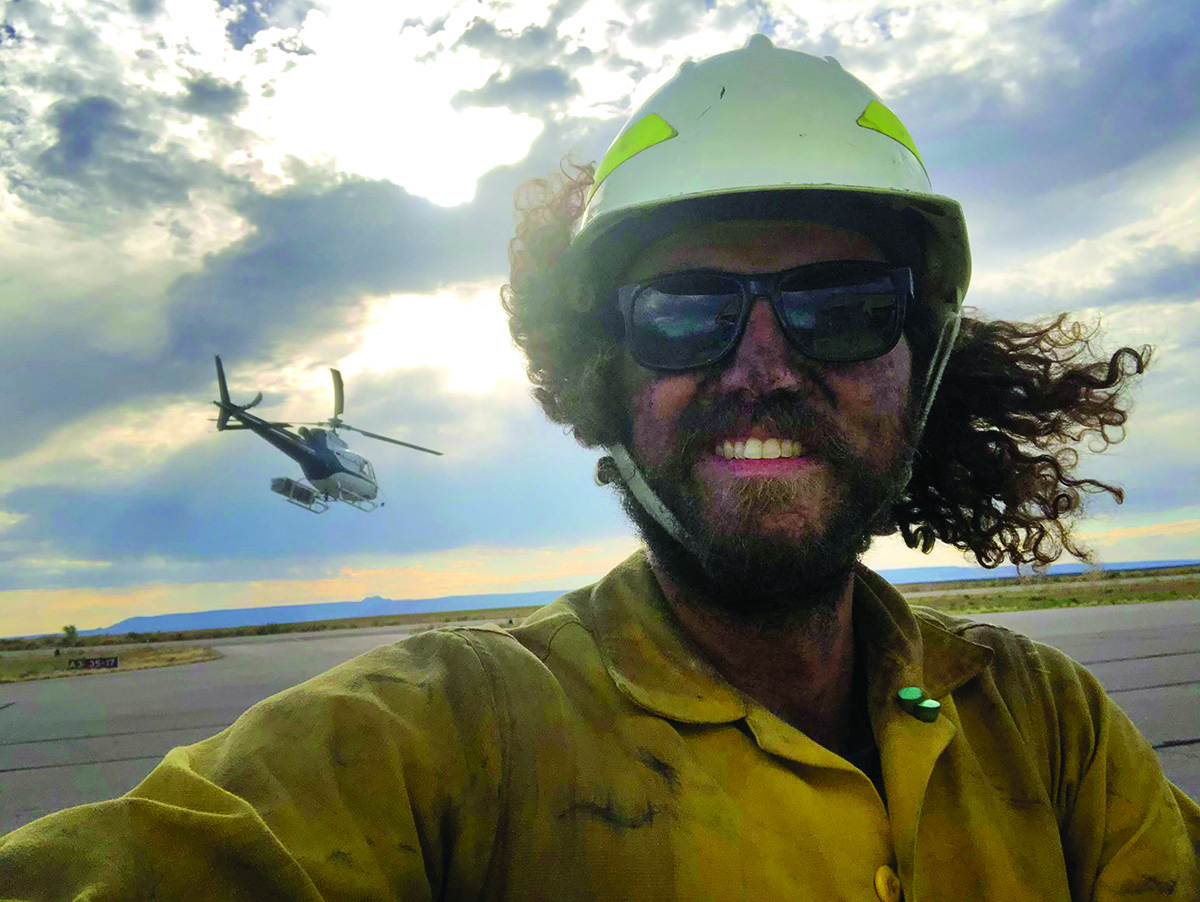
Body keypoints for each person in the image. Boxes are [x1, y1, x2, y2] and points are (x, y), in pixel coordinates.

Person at [2, 34, 1197, 901]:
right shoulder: (448, 740)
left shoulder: (1054, 733)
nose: (762, 366)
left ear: (919, 358)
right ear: (601, 375)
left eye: (839, 304)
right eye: (682, 311)